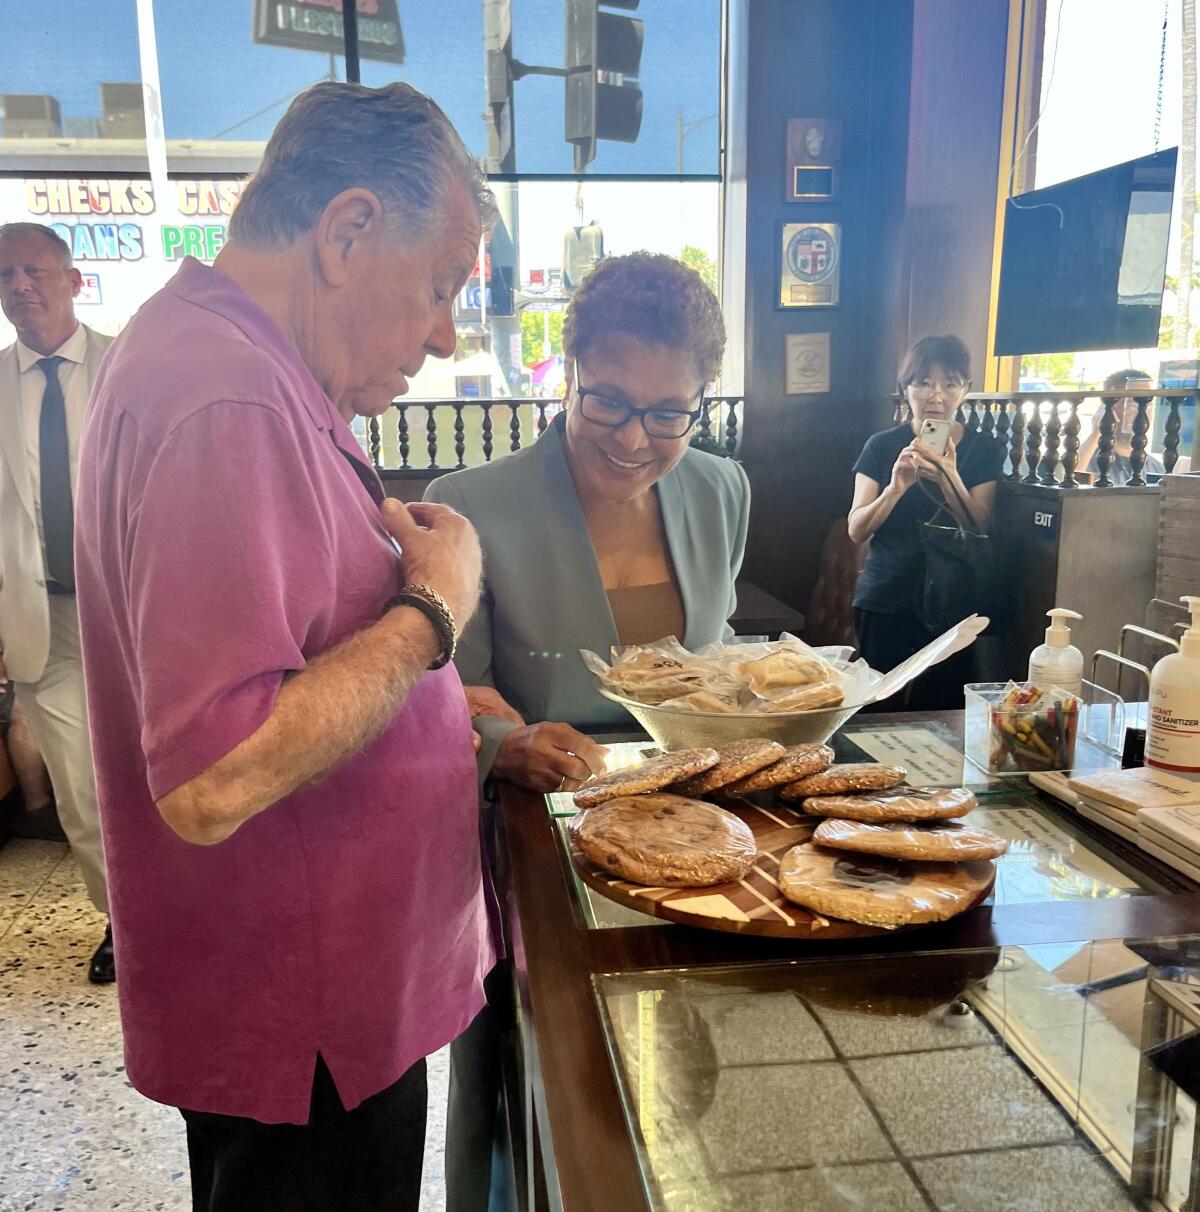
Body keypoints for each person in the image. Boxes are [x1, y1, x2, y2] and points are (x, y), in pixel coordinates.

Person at [74, 82, 497, 1210]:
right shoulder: (229, 394)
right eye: (442, 286)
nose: (449, 332)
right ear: (349, 230)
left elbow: (293, 646)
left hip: (318, 1003)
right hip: (309, 1017)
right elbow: (215, 774)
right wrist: (434, 614)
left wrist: (457, 714)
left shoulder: (239, 361)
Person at [425, 251, 748, 1212]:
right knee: (538, 1080)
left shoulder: (721, 491)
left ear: (702, 402)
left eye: (667, 413)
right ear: (563, 376)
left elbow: (711, 662)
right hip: (533, 834)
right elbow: (446, 692)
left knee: (680, 1063)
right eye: (606, 402)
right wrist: (502, 748)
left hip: (686, 834)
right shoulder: (475, 502)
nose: (635, 438)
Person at [0, 222, 114, 983]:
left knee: (161, 773)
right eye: (6, 275)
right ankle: (127, 924)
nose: (20, 285)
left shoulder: (129, 366)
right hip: (43, 621)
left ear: (74, 281)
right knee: (80, 789)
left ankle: (193, 909)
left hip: (138, 614)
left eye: (36, 270)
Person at [848, 334, 1005, 710]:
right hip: (886, 598)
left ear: (964, 391)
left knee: (944, 713)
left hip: (953, 604)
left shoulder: (983, 449)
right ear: (905, 389)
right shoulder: (881, 446)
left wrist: (949, 475)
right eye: (924, 383)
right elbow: (856, 529)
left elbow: (980, 525)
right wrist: (895, 488)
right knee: (875, 711)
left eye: (949, 383)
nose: (936, 395)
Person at [1077, 368, 1166, 484]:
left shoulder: (1157, 468)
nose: (1141, 412)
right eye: (1131, 404)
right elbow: (1070, 478)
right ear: (1107, 408)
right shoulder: (1090, 459)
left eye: (1147, 404)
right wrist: (1095, 434)